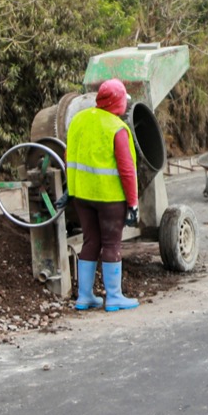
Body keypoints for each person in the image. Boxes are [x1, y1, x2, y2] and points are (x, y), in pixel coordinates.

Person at [66, 78, 139, 311]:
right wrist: (133, 203)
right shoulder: (117, 128)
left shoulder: (79, 120)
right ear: (118, 103)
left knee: (90, 241)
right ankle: (114, 297)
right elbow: (127, 170)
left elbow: (69, 155)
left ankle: (84, 296)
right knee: (111, 245)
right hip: (109, 198)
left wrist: (70, 189)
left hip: (82, 195)